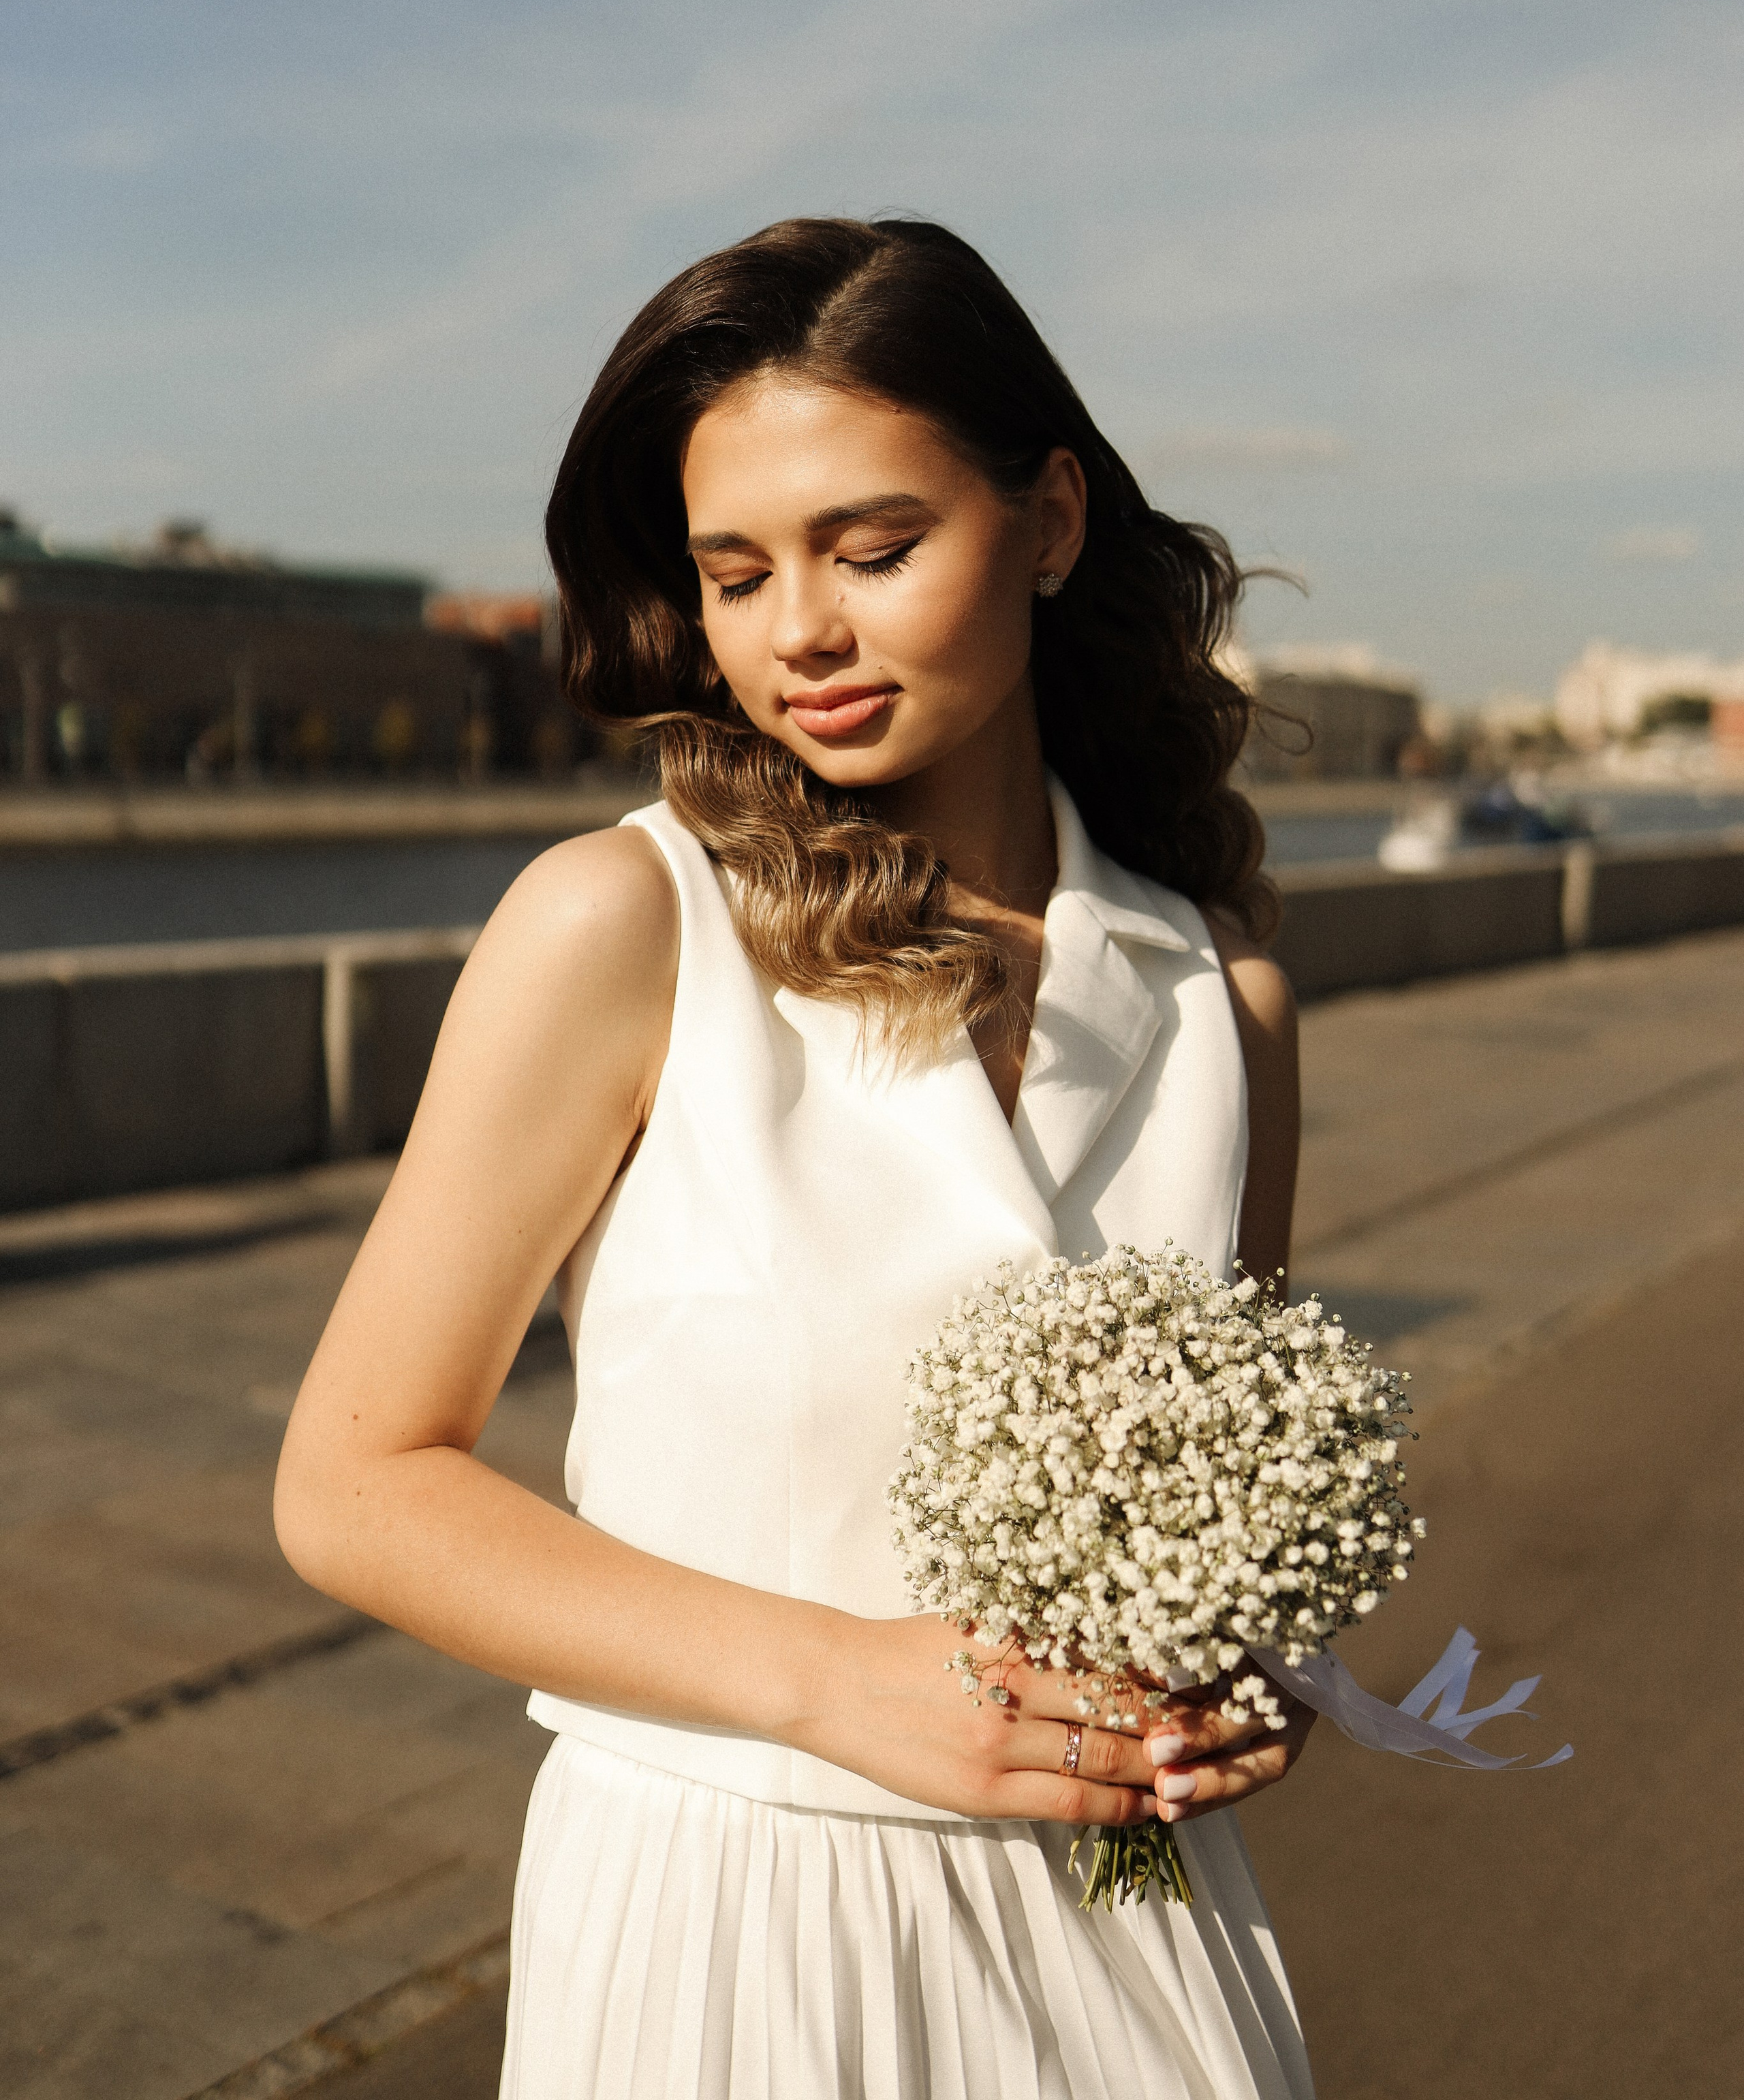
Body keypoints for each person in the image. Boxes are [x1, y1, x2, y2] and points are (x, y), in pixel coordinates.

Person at [275, 217, 1316, 2099]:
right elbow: (352, 1485)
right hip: (733, 1936)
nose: (798, 635)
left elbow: (1209, 1521)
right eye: (737, 573)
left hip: (1135, 1934)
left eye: (874, 548)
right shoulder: (617, 925)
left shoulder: (1220, 985)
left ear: (1054, 523)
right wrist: (831, 1679)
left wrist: (1241, 1680)